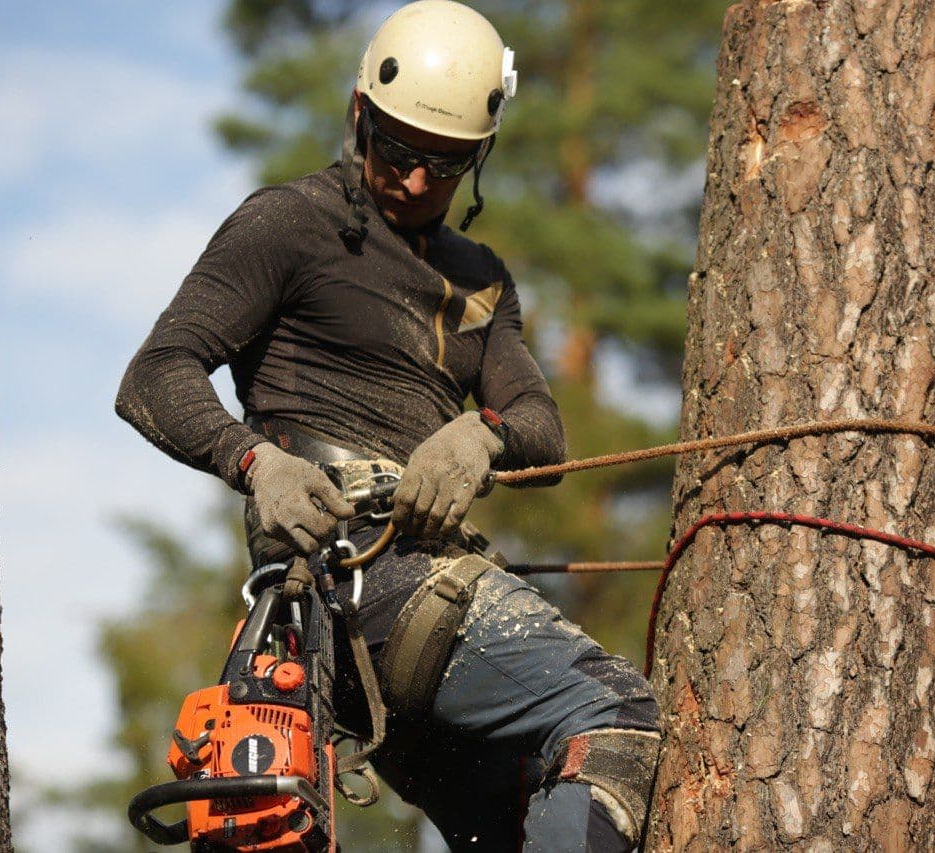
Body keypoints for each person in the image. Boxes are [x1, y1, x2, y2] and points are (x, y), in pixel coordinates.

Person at [116, 2, 659, 849]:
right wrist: (254, 461)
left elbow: (540, 428)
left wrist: (482, 435)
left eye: (442, 167)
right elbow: (154, 374)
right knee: (614, 714)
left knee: (522, 818)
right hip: (358, 586)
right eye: (398, 152)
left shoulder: (479, 282)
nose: (411, 181)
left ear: (478, 158)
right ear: (360, 115)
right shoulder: (289, 224)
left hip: (410, 608)